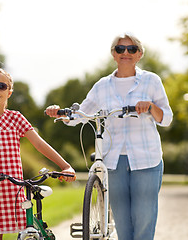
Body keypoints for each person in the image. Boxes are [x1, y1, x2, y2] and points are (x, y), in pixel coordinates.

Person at [45, 33, 173, 240]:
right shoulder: (102, 86)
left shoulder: (151, 81)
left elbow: (166, 118)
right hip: (114, 160)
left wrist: (150, 106)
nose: (126, 53)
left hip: (147, 159)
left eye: (131, 49)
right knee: (122, 222)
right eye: (120, 49)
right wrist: (60, 112)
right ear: (113, 54)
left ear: (139, 54)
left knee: (144, 219)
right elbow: (81, 114)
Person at [0, 67, 76, 240]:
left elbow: (39, 144)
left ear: (9, 92)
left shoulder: (15, 119)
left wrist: (65, 166)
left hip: (6, 188)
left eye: (1, 86)